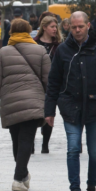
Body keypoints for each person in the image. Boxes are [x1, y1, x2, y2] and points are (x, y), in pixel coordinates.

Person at [44, 11, 96, 191]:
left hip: (95, 106)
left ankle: (91, 186)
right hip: (70, 106)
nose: (77, 30)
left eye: (80, 26)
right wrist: (49, 111)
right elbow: (53, 82)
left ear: (88, 26)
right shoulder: (63, 50)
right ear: (69, 27)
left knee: (94, 151)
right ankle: (75, 190)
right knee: (72, 149)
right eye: (74, 27)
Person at [0, 18, 51, 191]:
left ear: (11, 32)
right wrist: (44, 99)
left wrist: (5, 96)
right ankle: (19, 178)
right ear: (29, 31)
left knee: (16, 140)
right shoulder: (40, 50)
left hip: (10, 102)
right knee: (26, 139)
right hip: (33, 103)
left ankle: (22, 175)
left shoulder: (3, 52)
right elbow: (48, 79)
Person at [34, 15, 63, 153]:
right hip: (36, 82)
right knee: (34, 114)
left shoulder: (59, 45)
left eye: (55, 26)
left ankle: (45, 144)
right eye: (52, 26)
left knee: (49, 112)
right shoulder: (34, 43)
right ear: (44, 28)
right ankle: (31, 144)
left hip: (52, 83)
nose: (55, 29)